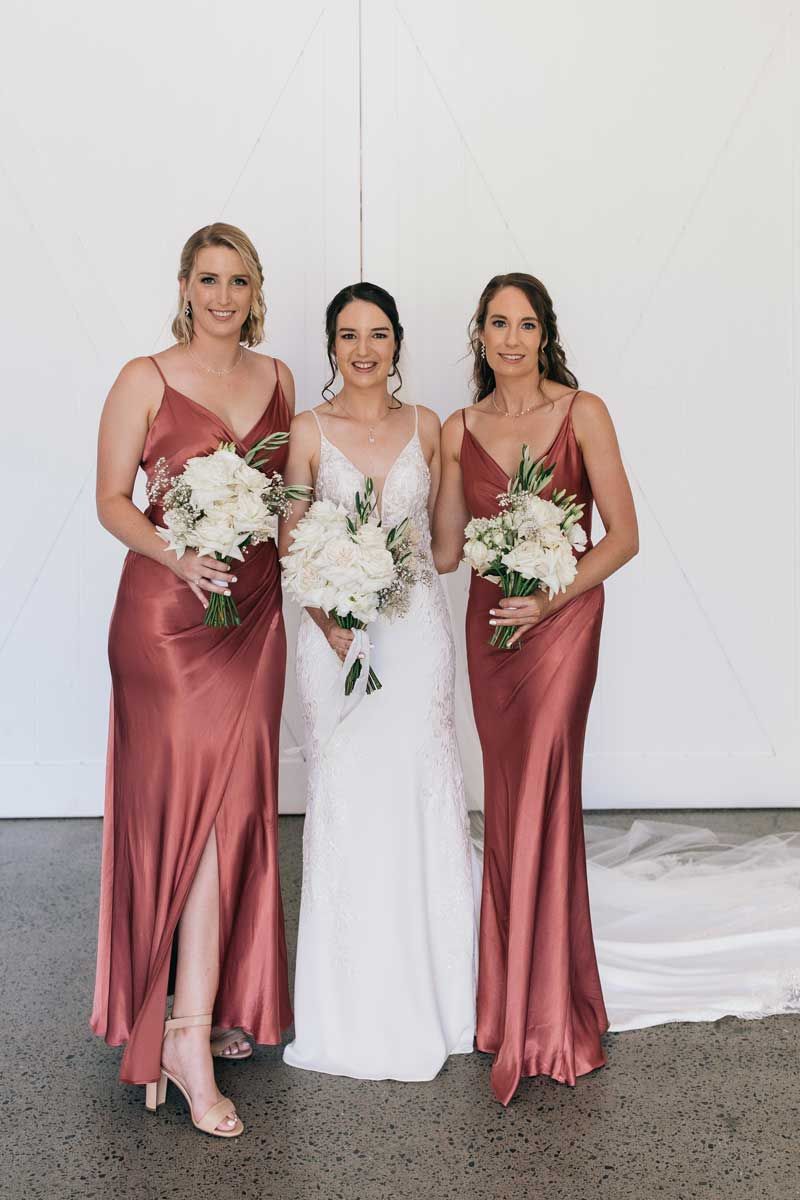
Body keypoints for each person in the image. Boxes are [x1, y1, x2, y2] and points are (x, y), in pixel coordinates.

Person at [91, 223, 294, 1137]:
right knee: (194, 822)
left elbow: (289, 506)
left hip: (253, 622)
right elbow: (110, 501)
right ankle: (182, 1032)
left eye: (238, 280)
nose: (222, 296)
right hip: (166, 626)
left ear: (257, 290)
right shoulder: (144, 376)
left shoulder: (280, 379)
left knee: (238, 810)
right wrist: (179, 557)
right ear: (184, 285)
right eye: (207, 279)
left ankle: (201, 1012)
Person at [433, 272, 639, 1105]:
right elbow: (450, 552)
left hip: (562, 627)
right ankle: (510, 1000)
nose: (510, 339)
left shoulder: (583, 412)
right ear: (478, 335)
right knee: (510, 799)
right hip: (493, 633)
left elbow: (623, 538)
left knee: (547, 795)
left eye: (524, 324)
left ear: (545, 333)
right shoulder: (460, 427)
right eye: (496, 324)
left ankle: (550, 1014)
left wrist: (553, 592)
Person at [279, 282, 476, 1081]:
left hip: (415, 632)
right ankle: (348, 998)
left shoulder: (429, 427)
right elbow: (291, 542)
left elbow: (448, 548)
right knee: (347, 792)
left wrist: (396, 568)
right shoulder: (304, 431)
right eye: (350, 335)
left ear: (398, 344)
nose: (365, 349)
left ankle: (443, 993)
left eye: (380, 334)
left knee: (419, 789)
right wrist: (333, 613)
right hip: (332, 639)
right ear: (331, 345)